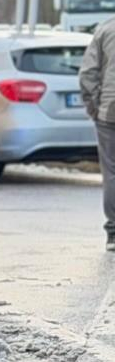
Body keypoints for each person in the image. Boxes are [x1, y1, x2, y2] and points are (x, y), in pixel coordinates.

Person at [83, 14, 115, 248]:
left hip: (109, 111)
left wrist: (93, 105)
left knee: (112, 172)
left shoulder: (106, 30)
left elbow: (88, 74)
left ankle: (114, 232)